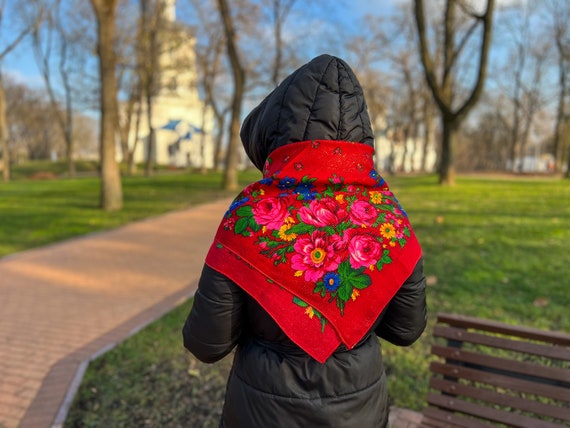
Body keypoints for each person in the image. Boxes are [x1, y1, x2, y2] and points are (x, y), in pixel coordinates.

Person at [183, 54, 427, 428]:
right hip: (359, 411)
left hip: (261, 412)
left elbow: (206, 343)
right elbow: (406, 330)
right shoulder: (387, 215)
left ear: (274, 132)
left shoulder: (250, 214)